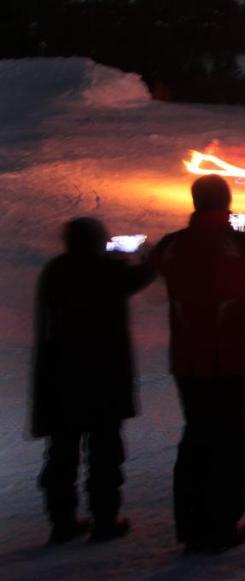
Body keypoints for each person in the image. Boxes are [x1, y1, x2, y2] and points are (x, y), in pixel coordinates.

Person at [152, 175, 245, 554]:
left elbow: (152, 274)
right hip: (236, 356)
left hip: (188, 360)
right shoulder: (241, 241)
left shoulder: (173, 243)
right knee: (230, 441)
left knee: (196, 438)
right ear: (227, 201)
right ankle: (222, 525)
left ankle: (192, 525)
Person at [31, 217, 156, 545]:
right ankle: (104, 520)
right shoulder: (106, 271)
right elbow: (142, 277)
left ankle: (62, 522)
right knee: (104, 454)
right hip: (103, 377)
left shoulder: (55, 270)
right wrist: (146, 257)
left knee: (61, 455)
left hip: (60, 378)